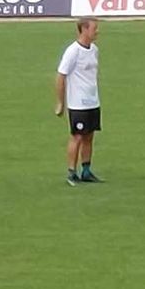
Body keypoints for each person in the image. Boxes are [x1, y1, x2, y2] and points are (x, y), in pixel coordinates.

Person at [55, 17, 102, 186]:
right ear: (84, 29)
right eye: (94, 28)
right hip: (77, 104)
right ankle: (71, 172)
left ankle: (86, 171)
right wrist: (60, 102)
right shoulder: (73, 51)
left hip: (93, 101)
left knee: (89, 136)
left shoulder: (94, 50)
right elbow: (61, 76)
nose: (97, 32)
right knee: (77, 137)